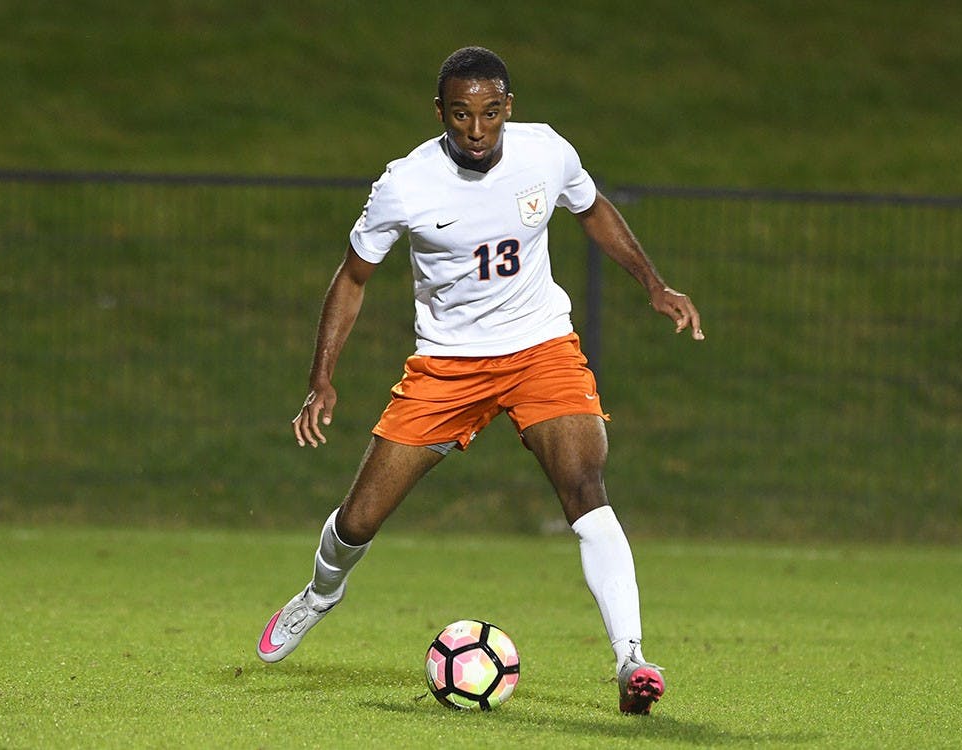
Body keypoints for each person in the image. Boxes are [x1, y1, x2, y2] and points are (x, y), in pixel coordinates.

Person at [256, 46, 703, 716]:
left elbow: (592, 209)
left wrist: (653, 283)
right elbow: (353, 278)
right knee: (358, 519)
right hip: (447, 367)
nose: (476, 128)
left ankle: (631, 659)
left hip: (539, 349)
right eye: (462, 114)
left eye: (490, 113)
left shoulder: (546, 152)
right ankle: (321, 593)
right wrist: (322, 378)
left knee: (585, 485)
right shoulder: (405, 184)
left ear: (508, 109)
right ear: (440, 113)